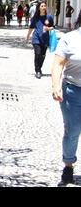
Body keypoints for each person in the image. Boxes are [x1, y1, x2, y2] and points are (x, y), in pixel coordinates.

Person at [51, 10, 81, 185]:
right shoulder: (70, 38)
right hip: (72, 91)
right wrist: (56, 86)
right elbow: (58, 63)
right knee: (73, 131)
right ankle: (68, 164)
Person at [26, 1, 54, 79]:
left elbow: (53, 27)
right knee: (37, 53)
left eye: (44, 6)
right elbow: (31, 27)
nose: (43, 7)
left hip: (45, 39)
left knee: (42, 55)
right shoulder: (35, 18)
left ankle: (39, 67)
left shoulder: (49, 17)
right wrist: (28, 36)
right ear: (39, 8)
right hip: (36, 38)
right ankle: (37, 70)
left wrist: (48, 28)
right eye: (42, 6)